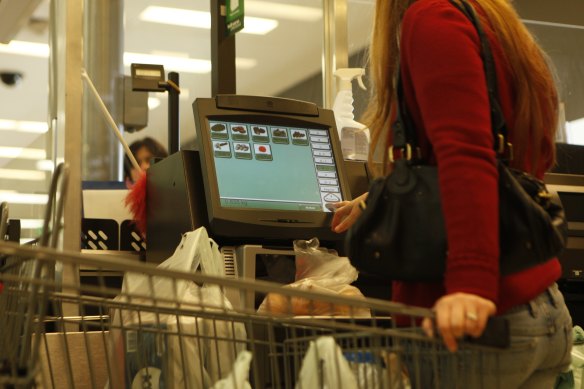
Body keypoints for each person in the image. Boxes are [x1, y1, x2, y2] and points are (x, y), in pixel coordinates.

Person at [331, 0, 572, 386]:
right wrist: (384, 202)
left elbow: (466, 154)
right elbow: (516, 162)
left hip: (478, 327)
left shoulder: (431, 18)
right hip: (539, 306)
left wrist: (470, 285)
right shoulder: (493, 21)